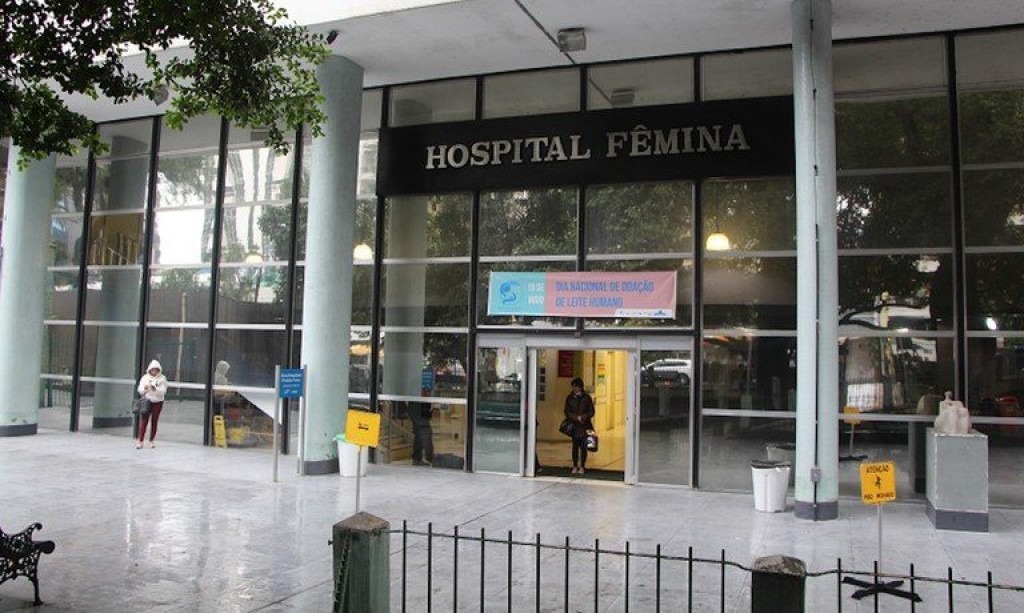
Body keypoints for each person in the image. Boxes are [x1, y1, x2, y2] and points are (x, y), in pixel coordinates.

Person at [564, 377, 595, 475]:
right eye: (573, 387)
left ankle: (582, 466)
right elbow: (567, 411)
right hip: (574, 426)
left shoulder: (587, 398)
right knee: (575, 447)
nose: (574, 388)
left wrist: (583, 417)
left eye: (576, 386)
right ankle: (574, 466)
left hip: (585, 426)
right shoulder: (569, 398)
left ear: (580, 387)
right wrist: (575, 417)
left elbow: (591, 411)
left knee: (584, 447)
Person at [136, 360, 168, 449]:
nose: (154, 372)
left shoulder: (162, 378)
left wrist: (155, 389)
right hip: (147, 401)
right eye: (153, 370)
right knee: (144, 421)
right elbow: (140, 390)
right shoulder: (145, 378)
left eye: (156, 370)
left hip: (158, 402)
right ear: (149, 370)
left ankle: (151, 440)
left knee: (154, 421)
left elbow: (163, 391)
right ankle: (140, 440)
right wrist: (145, 389)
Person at [407, 401, 435, 466]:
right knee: (425, 432)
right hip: (419, 408)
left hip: (422, 407)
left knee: (419, 435)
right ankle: (430, 459)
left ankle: (417, 459)